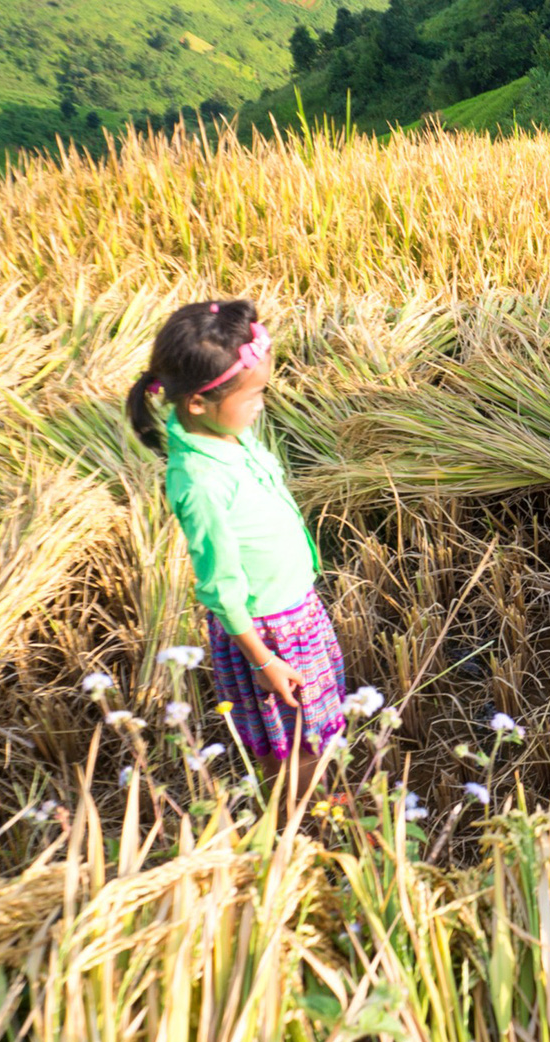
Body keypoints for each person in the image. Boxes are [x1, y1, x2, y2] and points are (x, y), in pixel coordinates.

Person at [124, 300, 345, 785]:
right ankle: (300, 829)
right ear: (198, 403)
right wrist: (263, 660)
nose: (261, 404)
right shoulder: (199, 481)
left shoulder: (227, 434)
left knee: (314, 734)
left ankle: (319, 805)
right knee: (292, 746)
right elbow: (220, 586)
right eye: (252, 396)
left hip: (295, 610)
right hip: (267, 631)